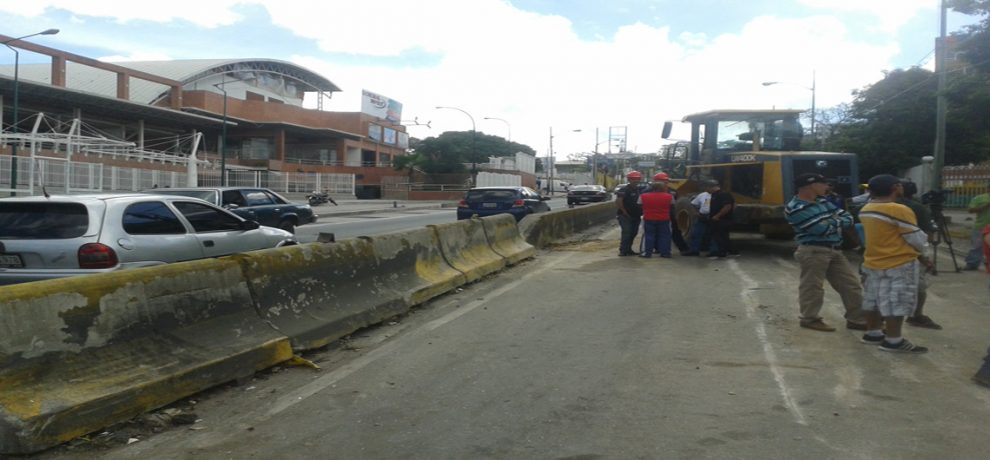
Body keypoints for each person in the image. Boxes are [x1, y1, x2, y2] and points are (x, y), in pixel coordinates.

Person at [783, 173, 867, 332]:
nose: (826, 187)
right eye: (823, 184)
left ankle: (857, 319)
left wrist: (830, 221)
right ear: (811, 185)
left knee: (851, 285)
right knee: (812, 286)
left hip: (834, 249)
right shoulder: (795, 207)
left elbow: (848, 217)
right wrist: (834, 221)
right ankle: (809, 318)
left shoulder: (821, 201)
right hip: (813, 250)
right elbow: (820, 229)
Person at [857, 174, 930, 353]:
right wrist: (925, 255)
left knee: (873, 299)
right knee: (897, 301)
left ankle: (873, 333)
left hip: (873, 260)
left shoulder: (866, 208)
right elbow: (914, 237)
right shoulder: (898, 209)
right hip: (899, 261)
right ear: (896, 187)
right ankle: (894, 341)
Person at [897, 180, 941, 329]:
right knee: (919, 286)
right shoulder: (918, 208)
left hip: (885, 253)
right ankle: (916, 315)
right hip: (912, 251)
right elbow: (926, 234)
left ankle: (879, 322)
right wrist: (924, 256)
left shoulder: (875, 206)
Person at [637, 173, 675, 258]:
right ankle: (665, 253)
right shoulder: (669, 196)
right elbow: (672, 206)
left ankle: (646, 253)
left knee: (648, 235)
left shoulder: (643, 196)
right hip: (664, 218)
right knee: (665, 236)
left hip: (649, 218)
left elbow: (639, 205)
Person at [616, 171, 647, 256]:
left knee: (634, 232)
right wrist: (624, 212)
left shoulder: (639, 190)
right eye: (634, 179)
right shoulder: (623, 190)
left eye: (637, 179)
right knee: (627, 232)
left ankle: (628, 249)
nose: (636, 181)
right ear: (629, 179)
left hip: (636, 215)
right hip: (625, 215)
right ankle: (623, 250)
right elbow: (619, 201)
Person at [706, 180, 738, 259]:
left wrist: (718, 216)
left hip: (722, 220)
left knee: (720, 237)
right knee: (723, 236)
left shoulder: (723, 194)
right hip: (719, 219)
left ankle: (722, 253)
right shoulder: (714, 195)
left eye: (707, 187)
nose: (706, 189)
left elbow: (728, 206)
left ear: (712, 187)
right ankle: (732, 251)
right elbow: (734, 205)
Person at [684, 181, 717, 256]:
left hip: (714, 217)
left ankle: (714, 251)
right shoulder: (702, 195)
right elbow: (693, 204)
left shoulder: (720, 195)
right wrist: (695, 213)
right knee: (696, 234)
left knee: (714, 235)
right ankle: (694, 250)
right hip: (702, 216)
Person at [965, 183, 990, 270]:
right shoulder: (979, 198)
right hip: (981, 226)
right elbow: (970, 210)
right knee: (976, 246)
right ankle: (972, 264)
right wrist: (986, 205)